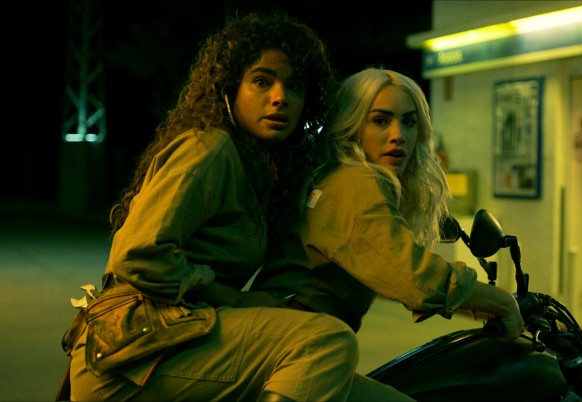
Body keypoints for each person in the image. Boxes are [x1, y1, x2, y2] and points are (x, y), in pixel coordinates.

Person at [60, 13, 359, 402]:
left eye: (295, 85)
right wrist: (225, 294)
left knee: (360, 390)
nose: (280, 97)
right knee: (327, 341)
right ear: (229, 89)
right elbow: (136, 255)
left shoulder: (259, 169)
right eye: (262, 81)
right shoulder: (211, 149)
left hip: (185, 342)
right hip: (133, 359)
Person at [250, 67, 525, 400]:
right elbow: (411, 274)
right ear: (352, 126)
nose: (398, 135)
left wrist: (470, 300)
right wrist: (502, 301)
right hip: (296, 352)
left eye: (409, 122)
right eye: (380, 121)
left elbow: (391, 263)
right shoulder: (357, 183)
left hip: (290, 345)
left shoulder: (334, 178)